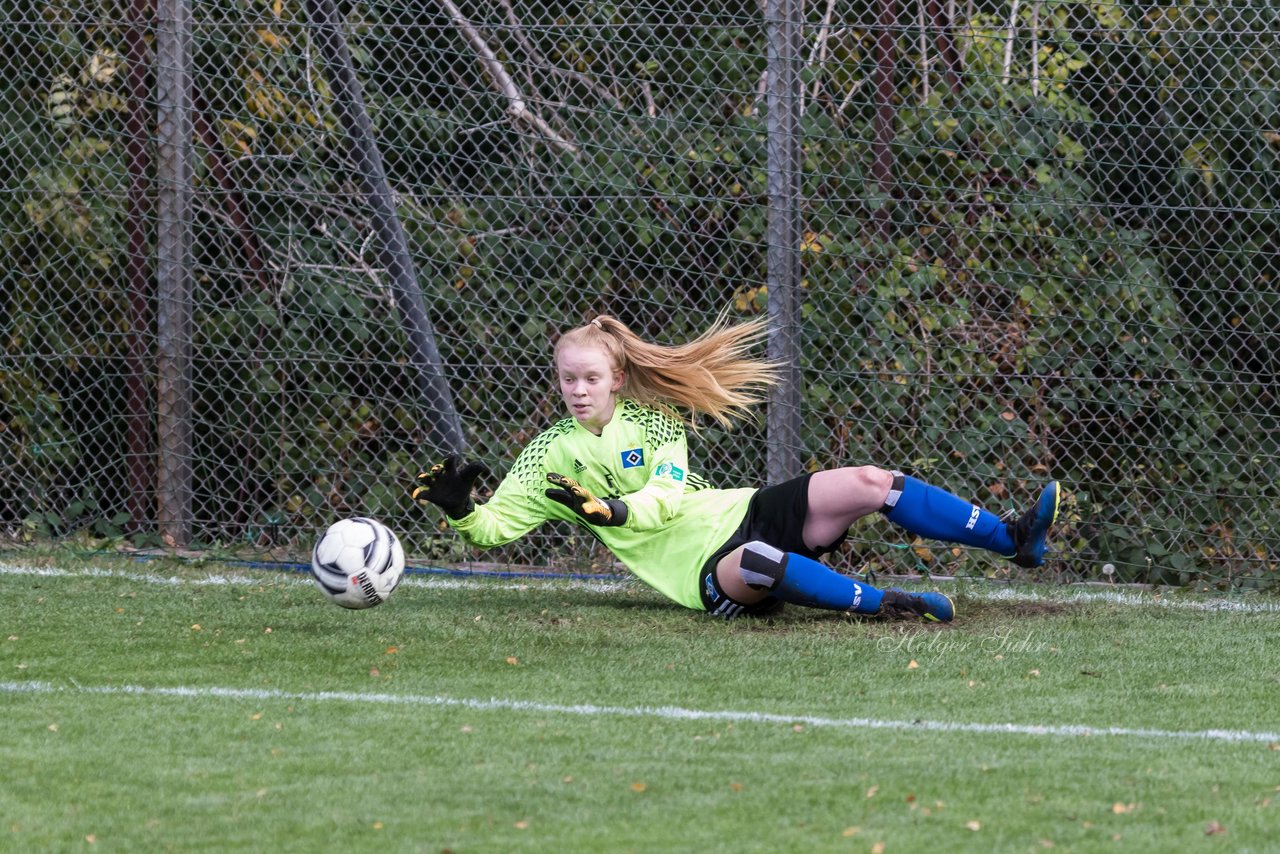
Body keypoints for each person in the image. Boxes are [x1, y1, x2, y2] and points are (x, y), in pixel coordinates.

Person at [411, 314, 1059, 622]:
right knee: (756, 563)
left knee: (870, 481)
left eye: (590, 377)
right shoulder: (551, 452)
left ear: (618, 378)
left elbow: (665, 494)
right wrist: (463, 510)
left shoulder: (656, 422)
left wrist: (613, 511)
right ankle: (891, 606)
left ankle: (1013, 539)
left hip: (743, 510)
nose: (577, 390)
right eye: (567, 379)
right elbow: (497, 528)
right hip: (702, 572)